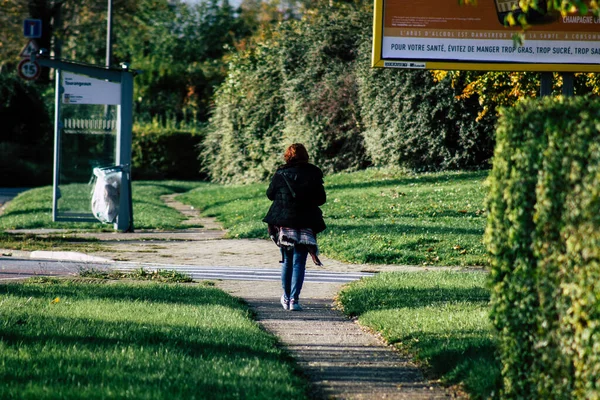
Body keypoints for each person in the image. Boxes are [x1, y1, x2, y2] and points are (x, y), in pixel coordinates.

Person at [263, 143, 327, 311]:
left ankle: (286, 297)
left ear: (288, 156)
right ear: (306, 156)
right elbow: (321, 199)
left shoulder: (280, 174)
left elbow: (270, 195)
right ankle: (294, 300)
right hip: (306, 222)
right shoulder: (314, 173)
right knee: (299, 262)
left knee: (287, 261)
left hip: (285, 223)